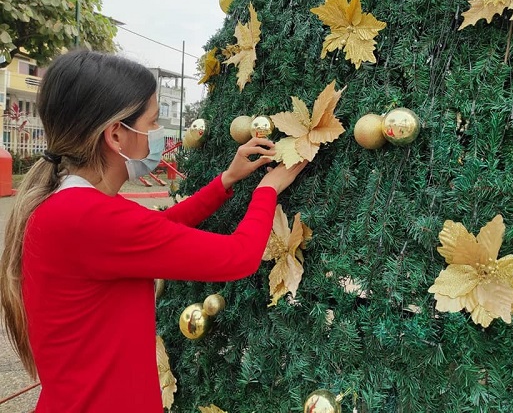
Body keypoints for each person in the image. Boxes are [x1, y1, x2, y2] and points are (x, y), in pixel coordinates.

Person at [0, 50, 307, 413]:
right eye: (152, 122)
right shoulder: (89, 217)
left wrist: (227, 179)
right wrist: (266, 190)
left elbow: (160, 228)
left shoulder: (69, 204)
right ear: (116, 135)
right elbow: (238, 257)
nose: (157, 135)